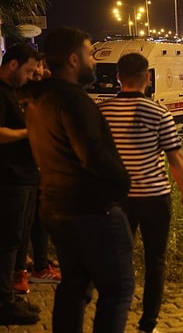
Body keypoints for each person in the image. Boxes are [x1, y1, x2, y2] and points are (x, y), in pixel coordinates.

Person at [22, 27, 135, 333]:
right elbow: (93, 155)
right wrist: (122, 185)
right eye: (89, 54)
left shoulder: (38, 99)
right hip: (92, 210)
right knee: (118, 289)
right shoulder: (74, 101)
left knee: (74, 286)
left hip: (57, 207)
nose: (94, 62)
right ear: (73, 60)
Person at [98, 52, 183, 333]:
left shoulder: (102, 112)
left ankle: (115, 316)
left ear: (118, 77)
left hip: (118, 200)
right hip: (155, 198)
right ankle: (147, 324)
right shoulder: (159, 112)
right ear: (148, 77)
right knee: (155, 261)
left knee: (116, 259)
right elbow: (175, 159)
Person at [0, 43, 42, 325]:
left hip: (25, 177)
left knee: (19, 238)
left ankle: (12, 298)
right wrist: (29, 132)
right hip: (9, 177)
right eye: (28, 70)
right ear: (13, 64)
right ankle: (4, 303)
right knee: (7, 240)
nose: (30, 76)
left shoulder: (15, 92)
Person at [22, 58, 62, 286]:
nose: (38, 71)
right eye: (34, 67)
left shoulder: (37, 92)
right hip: (26, 168)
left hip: (40, 167)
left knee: (40, 218)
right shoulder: (20, 96)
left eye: (39, 66)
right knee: (30, 219)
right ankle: (29, 266)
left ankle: (39, 261)